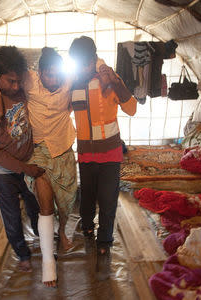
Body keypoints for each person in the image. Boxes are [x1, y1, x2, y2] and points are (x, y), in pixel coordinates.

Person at [0, 47, 109, 287]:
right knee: (45, 198)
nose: (54, 80)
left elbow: (95, 62)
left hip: (62, 148)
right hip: (37, 150)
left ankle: (61, 231)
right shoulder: (28, 79)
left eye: (57, 76)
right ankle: (49, 260)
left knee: (67, 201)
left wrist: (102, 68)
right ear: (39, 72)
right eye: (49, 75)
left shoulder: (67, 78)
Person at [69, 36, 137, 280]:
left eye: (86, 63)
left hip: (110, 153)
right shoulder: (73, 84)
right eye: (78, 64)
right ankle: (87, 226)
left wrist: (115, 83)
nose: (83, 69)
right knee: (87, 195)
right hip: (86, 154)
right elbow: (60, 110)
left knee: (108, 199)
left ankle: (104, 240)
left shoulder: (108, 78)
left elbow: (131, 108)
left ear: (93, 59)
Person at [0, 46, 43, 273]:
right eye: (10, 81)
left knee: (36, 206)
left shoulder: (21, 89)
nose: (16, 87)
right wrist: (24, 168)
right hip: (4, 171)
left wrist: (29, 165)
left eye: (18, 81)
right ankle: (23, 254)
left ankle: (43, 237)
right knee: (12, 215)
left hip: (27, 161)